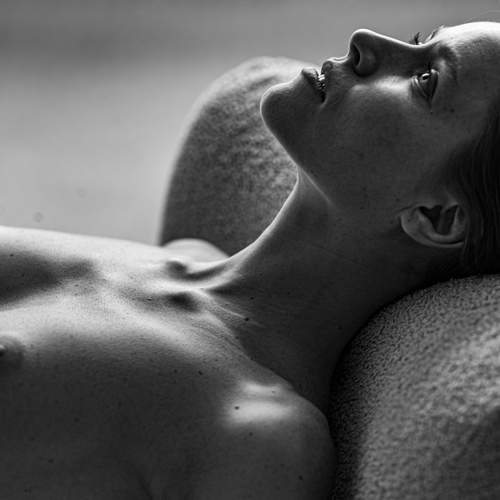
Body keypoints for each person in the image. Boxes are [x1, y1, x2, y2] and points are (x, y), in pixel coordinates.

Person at [1, 20, 500, 499]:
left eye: (426, 79)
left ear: (436, 217)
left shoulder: (258, 437)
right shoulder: (180, 259)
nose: (364, 40)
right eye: (418, 39)